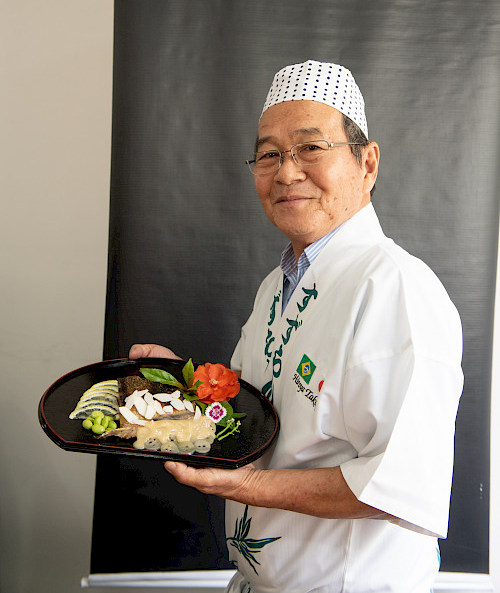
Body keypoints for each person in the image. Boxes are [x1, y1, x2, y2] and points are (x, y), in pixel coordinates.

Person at [130, 60, 463, 593]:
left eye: (311, 147)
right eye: (268, 155)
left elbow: (400, 485)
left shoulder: (396, 287)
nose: (286, 172)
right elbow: (256, 413)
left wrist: (251, 485)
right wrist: (184, 386)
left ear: (367, 163)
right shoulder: (276, 286)